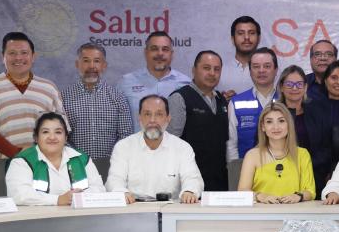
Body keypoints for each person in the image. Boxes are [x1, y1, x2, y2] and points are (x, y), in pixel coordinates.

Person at [0, 31, 64, 160]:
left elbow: (60, 127)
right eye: (12, 53)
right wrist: (15, 152)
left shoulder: (49, 88)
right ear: (3, 56)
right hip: (0, 167)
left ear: (33, 56)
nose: (18, 58)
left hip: (41, 163)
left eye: (24, 53)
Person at [106, 95, 203, 204]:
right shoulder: (123, 146)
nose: (152, 120)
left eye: (159, 114)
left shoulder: (182, 147)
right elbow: (114, 179)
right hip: (133, 209)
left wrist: (189, 191)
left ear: (168, 118)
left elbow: (192, 178)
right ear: (140, 118)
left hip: (170, 210)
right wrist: (121, 193)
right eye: (147, 114)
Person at [5, 113, 105, 206]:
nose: (52, 137)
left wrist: (78, 197)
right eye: (45, 132)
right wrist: (58, 199)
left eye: (58, 132)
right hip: (37, 220)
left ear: (66, 137)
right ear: (36, 137)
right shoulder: (22, 161)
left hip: (79, 219)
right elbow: (19, 195)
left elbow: (100, 189)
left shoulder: (82, 159)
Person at [60, 42, 133, 160]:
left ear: (104, 65)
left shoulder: (118, 97)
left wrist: (112, 160)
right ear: (77, 64)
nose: (91, 66)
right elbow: (60, 136)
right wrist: (77, 159)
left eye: (97, 61)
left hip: (111, 166)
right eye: (86, 61)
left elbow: (125, 136)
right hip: (76, 165)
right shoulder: (63, 98)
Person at [168, 50, 228, 192]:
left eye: (217, 69)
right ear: (194, 70)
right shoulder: (179, 98)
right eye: (206, 68)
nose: (212, 73)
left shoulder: (221, 99)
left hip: (219, 180)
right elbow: (170, 143)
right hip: (189, 182)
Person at [237, 102, 316, 203]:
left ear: (289, 124)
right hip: (261, 212)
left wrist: (298, 196)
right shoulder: (252, 155)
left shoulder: (302, 154)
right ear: (263, 127)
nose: (276, 127)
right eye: (269, 122)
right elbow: (242, 192)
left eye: (281, 121)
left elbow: (310, 192)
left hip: (293, 212)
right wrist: (260, 196)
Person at [303, 58, 339, 188]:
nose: (338, 82)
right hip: (317, 172)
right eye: (334, 77)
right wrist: (328, 171)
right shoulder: (312, 108)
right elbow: (312, 144)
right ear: (325, 80)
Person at [118, 31, 191, 126]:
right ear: (146, 52)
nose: (160, 53)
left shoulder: (186, 84)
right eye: (154, 49)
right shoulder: (126, 82)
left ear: (171, 54)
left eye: (165, 49)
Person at [226, 46, 279, 162]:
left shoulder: (285, 100)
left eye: (267, 66)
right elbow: (231, 144)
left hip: (281, 171)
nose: (261, 70)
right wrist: (235, 170)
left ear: (276, 70)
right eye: (256, 67)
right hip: (247, 171)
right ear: (250, 71)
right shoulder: (236, 102)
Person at [218, 15, 262, 98]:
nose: (246, 37)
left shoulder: (271, 71)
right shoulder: (220, 70)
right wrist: (223, 101)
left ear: (259, 38)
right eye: (241, 33)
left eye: (251, 33)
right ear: (232, 39)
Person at [276, 65, 311, 153]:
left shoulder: (315, 113)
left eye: (299, 84)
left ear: (305, 87)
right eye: (289, 84)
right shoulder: (272, 113)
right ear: (281, 87)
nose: (294, 88)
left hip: (311, 164)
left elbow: (323, 147)